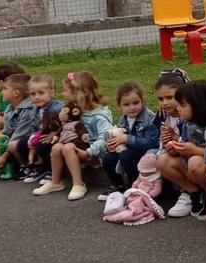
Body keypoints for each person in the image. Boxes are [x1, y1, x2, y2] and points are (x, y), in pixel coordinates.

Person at [34, 71, 113, 201]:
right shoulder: (75, 111)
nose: (63, 94)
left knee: (67, 147)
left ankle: (79, 184)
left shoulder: (98, 116)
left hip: (94, 153)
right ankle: (56, 181)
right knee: (57, 147)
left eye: (65, 91)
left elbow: (105, 137)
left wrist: (88, 152)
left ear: (78, 93)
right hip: (78, 148)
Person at [159, 79, 206, 219]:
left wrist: (195, 151)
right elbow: (184, 142)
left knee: (195, 162)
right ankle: (194, 192)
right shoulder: (187, 122)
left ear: (198, 106)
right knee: (163, 160)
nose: (178, 108)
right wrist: (176, 147)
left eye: (182, 105)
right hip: (191, 163)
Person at [98, 82, 159, 201]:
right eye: (126, 104)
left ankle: (136, 186)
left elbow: (152, 142)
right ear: (119, 105)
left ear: (142, 101)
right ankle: (118, 185)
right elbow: (118, 136)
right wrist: (112, 145)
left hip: (145, 154)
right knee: (108, 157)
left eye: (136, 103)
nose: (132, 107)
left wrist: (127, 139)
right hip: (127, 150)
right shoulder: (123, 119)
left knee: (126, 155)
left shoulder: (149, 118)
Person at [138, 69, 191, 204]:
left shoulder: (187, 115)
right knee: (150, 155)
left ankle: (189, 192)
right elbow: (159, 141)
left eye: (169, 97)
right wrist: (164, 140)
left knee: (161, 158)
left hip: (188, 153)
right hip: (171, 151)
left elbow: (192, 141)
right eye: (160, 99)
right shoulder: (163, 115)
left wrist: (173, 137)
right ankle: (148, 189)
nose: (164, 103)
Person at [0, 73, 37, 179]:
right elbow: (6, 131)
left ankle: (26, 166)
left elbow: (18, 135)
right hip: (15, 140)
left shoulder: (28, 110)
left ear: (16, 93)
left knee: (12, 145)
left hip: (29, 142)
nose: (2, 92)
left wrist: (5, 156)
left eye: (5, 89)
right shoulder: (10, 108)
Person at [17, 74, 64, 183]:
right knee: (22, 144)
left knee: (43, 146)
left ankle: (50, 169)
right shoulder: (35, 109)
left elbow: (66, 125)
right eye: (33, 94)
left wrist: (55, 134)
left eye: (41, 93)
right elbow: (34, 126)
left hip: (56, 138)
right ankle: (37, 167)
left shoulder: (59, 107)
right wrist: (31, 138)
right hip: (40, 135)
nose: (36, 97)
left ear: (52, 92)